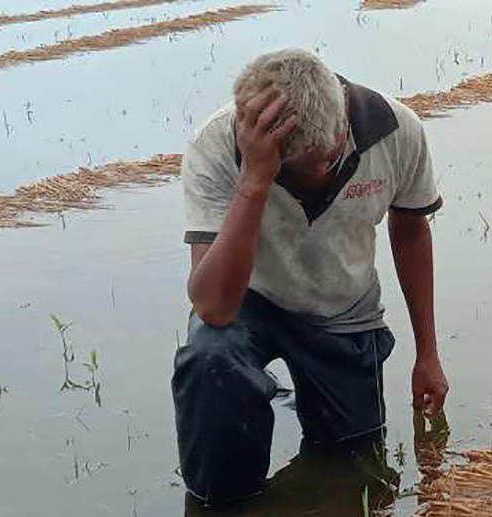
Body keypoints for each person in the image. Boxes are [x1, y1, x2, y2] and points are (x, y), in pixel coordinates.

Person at [171, 48, 448, 504]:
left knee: (355, 463)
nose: (318, 175)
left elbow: (411, 231)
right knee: (210, 361)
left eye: (328, 158)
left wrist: (428, 354)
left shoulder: (397, 130)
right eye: (298, 169)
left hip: (343, 307)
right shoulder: (217, 143)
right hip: (246, 301)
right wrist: (255, 182)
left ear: (343, 123)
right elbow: (213, 306)